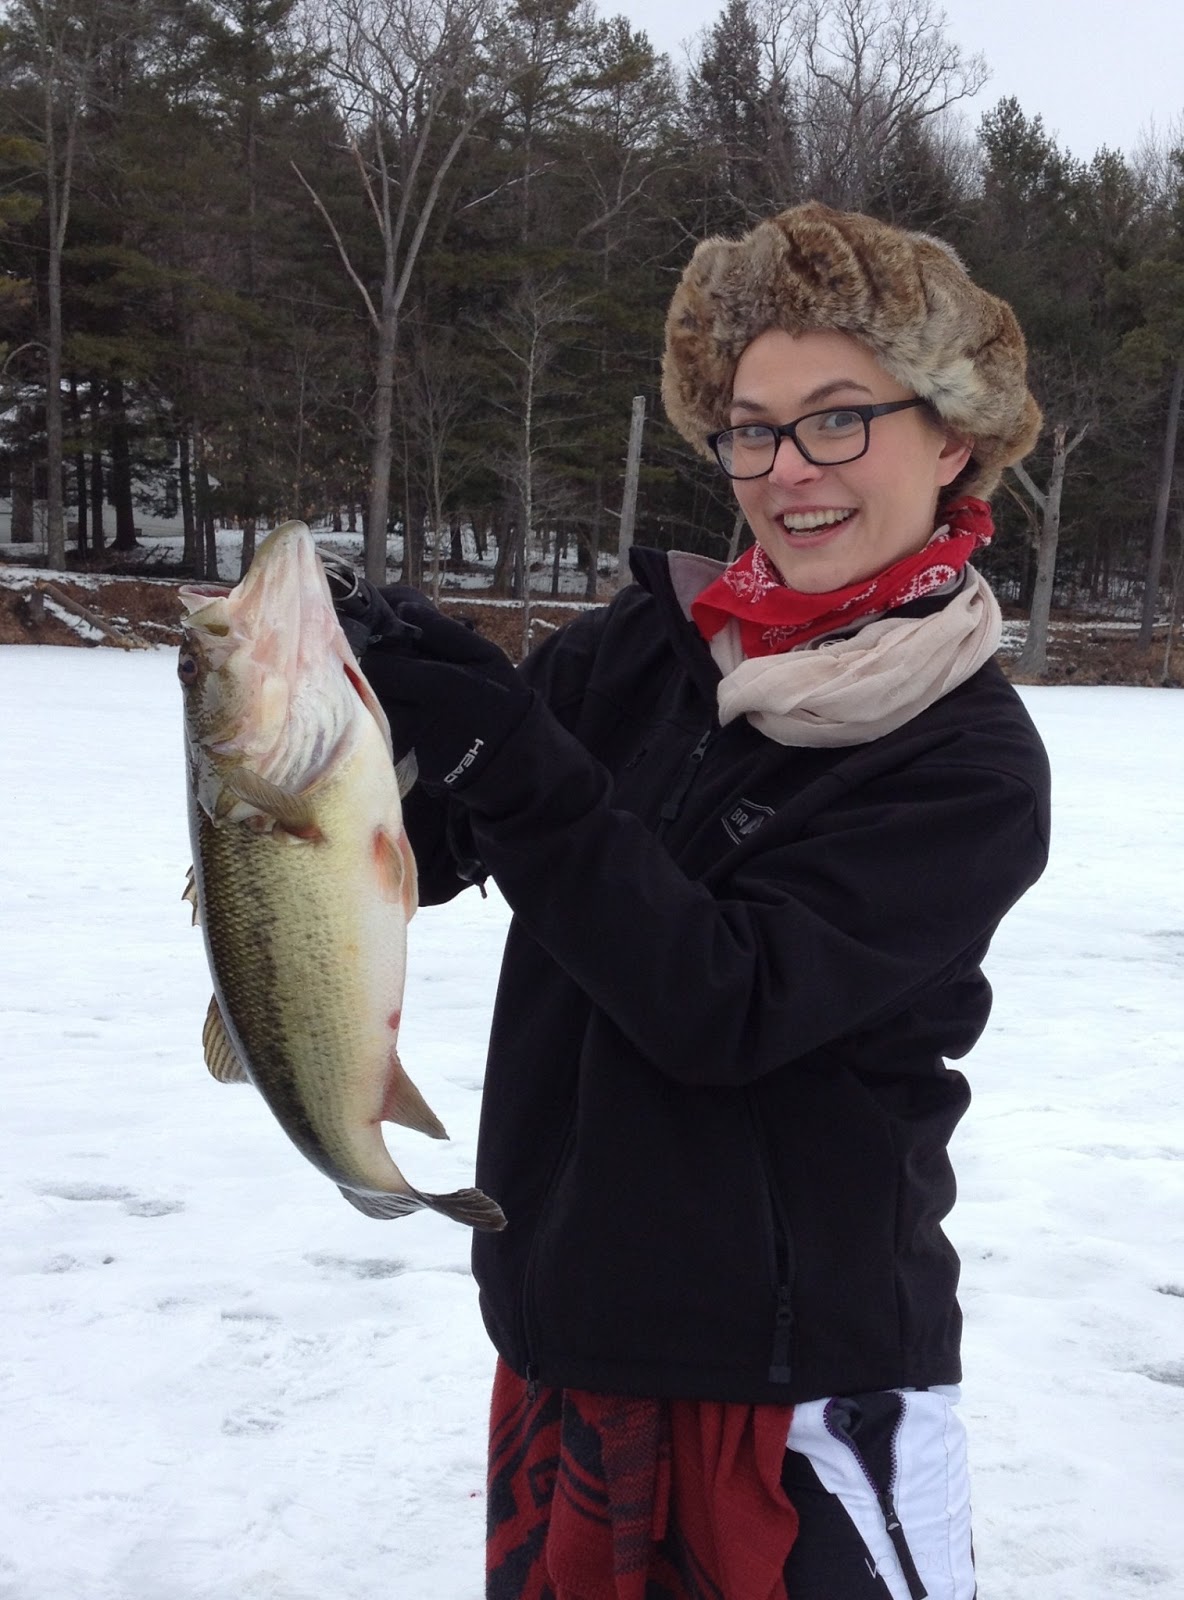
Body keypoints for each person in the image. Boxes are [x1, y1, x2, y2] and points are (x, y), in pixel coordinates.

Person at [335, 202, 1051, 1600]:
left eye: (840, 419)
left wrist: (520, 767)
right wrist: (352, 719)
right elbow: (431, 842)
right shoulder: (644, 652)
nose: (789, 471)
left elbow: (725, 1002)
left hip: (793, 1389)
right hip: (570, 1339)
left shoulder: (967, 763)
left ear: (955, 434)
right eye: (752, 428)